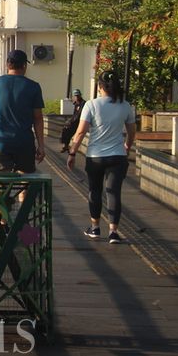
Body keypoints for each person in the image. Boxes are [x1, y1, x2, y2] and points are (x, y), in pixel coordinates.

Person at [67, 71, 136, 244]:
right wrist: (127, 145)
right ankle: (113, 232)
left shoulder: (91, 105)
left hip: (95, 156)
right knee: (113, 193)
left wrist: (72, 152)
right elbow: (132, 131)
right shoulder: (125, 105)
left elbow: (81, 131)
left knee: (95, 191)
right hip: (117, 156)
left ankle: (95, 228)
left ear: (100, 87)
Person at [0, 50, 45, 173]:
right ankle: (22, 193)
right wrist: (41, 146)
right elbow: (38, 118)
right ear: (24, 65)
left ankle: (1, 191)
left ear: (7, 65)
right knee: (25, 182)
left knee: (1, 184)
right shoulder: (33, 86)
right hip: (24, 143)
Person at [59, 89, 86, 153]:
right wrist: (69, 121)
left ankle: (66, 146)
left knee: (68, 129)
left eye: (77, 96)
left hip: (80, 122)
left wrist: (71, 122)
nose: (76, 97)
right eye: (75, 96)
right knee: (65, 129)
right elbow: (74, 114)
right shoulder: (76, 104)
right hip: (75, 121)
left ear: (80, 95)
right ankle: (65, 145)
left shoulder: (83, 103)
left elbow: (79, 115)